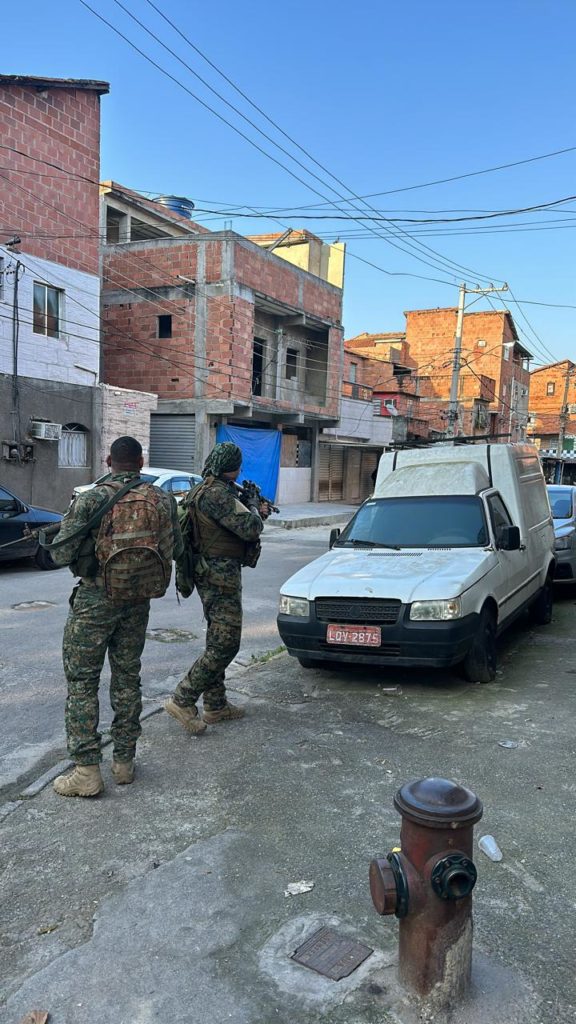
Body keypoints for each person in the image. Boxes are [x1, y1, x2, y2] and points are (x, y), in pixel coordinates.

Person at [49, 436, 183, 798]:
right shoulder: (162, 499)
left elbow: (60, 554)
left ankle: (86, 771)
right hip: (137, 602)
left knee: (82, 682)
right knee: (127, 678)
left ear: (109, 461)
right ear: (141, 462)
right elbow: (175, 548)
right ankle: (124, 762)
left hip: (95, 600)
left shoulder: (91, 498)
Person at [165, 441, 270, 734]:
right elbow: (250, 528)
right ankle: (182, 698)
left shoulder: (208, 488)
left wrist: (253, 507)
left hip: (212, 573)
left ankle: (216, 705)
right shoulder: (216, 494)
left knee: (217, 639)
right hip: (219, 576)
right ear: (232, 467)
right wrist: (255, 509)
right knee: (226, 644)